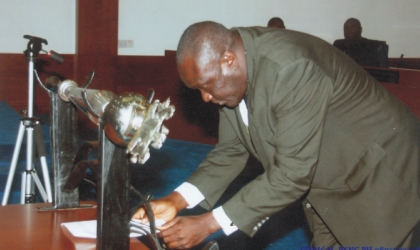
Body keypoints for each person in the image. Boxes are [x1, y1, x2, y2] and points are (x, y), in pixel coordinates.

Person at [133, 21, 420, 248]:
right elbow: (230, 153)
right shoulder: (231, 79)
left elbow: (293, 173)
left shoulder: (290, 69)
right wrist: (174, 201)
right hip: (328, 181)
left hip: (379, 174)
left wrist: (209, 223)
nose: (205, 98)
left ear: (229, 60)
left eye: (206, 86)